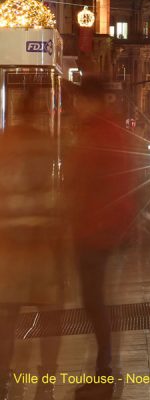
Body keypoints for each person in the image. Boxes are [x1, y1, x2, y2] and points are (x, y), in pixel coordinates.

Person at [64, 77, 140, 392]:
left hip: (96, 228)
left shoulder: (95, 134)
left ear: (92, 101)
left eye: (81, 100)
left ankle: (104, 369)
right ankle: (104, 365)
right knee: (97, 300)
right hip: (110, 226)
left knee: (93, 300)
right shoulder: (112, 131)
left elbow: (80, 183)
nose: (77, 106)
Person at [0, 90, 64, 399]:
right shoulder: (46, 145)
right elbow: (57, 196)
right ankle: (46, 381)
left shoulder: (4, 144)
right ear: (37, 113)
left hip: (9, 244)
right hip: (41, 243)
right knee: (51, 315)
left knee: (6, 317)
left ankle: (2, 376)